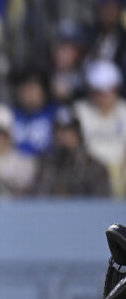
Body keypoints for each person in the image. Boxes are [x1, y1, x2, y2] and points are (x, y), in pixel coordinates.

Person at [74, 60, 126, 196]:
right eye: (98, 92)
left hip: (121, 170)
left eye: (108, 91)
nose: (103, 97)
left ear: (116, 89)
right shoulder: (79, 112)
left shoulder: (124, 111)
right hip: (89, 171)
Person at [33, 106, 110, 197]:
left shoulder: (95, 167)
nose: (62, 136)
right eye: (58, 131)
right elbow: (39, 198)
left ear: (78, 134)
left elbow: (102, 204)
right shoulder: (46, 165)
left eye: (68, 131)